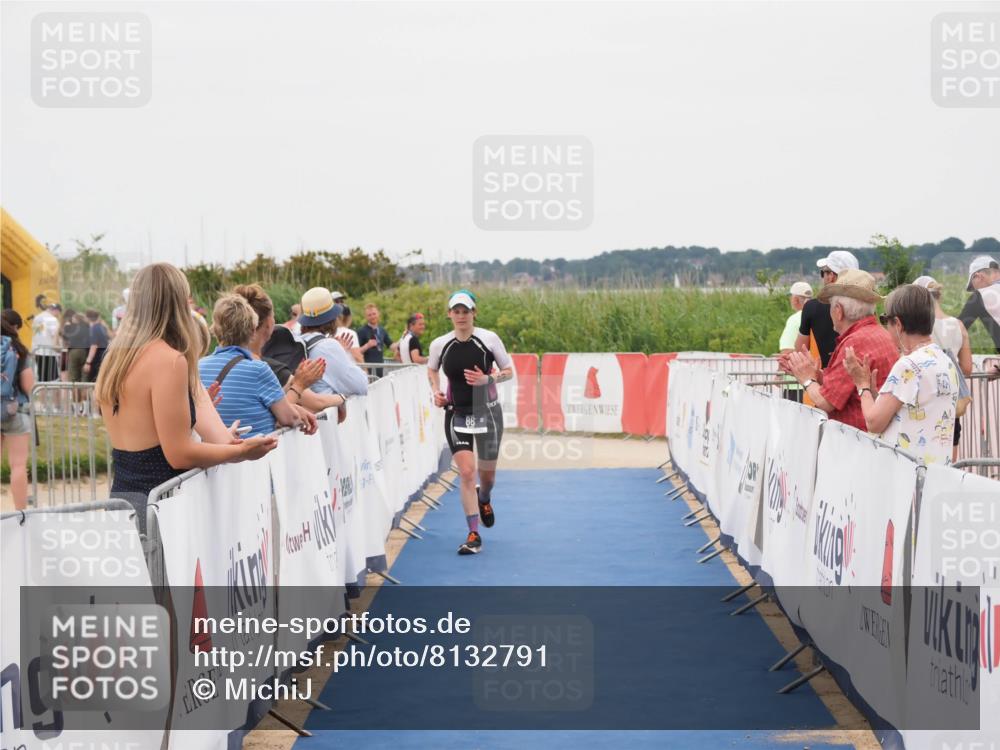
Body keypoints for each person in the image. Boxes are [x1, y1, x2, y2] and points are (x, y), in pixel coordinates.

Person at [95, 263, 278, 530]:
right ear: (179, 303)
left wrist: (223, 442)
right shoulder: (169, 361)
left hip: (122, 501)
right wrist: (239, 451)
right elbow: (178, 453)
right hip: (162, 506)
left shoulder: (115, 356)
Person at [427, 290, 513, 556]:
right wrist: (436, 391)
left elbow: (508, 371)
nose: (461, 316)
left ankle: (484, 497)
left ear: (474, 313)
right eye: (456, 311)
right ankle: (473, 534)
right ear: (449, 314)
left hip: (487, 413)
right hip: (457, 413)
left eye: (466, 311)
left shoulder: (488, 339)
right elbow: (432, 368)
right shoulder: (440, 344)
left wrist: (489, 380)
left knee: (487, 477)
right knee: (466, 471)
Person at [842, 284, 959, 465]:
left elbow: (873, 423)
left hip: (907, 475)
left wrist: (862, 385)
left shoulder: (908, 366)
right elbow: (910, 408)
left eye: (885, 320)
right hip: (937, 472)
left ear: (898, 324)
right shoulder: (945, 361)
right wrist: (876, 396)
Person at [783, 269, 898, 432]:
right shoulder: (880, 333)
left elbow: (825, 401)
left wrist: (807, 379)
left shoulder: (854, 344)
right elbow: (846, 387)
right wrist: (818, 376)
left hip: (857, 442)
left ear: (838, 311)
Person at [199, 294, 318, 439]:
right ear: (252, 331)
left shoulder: (198, 367)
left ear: (215, 329)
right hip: (257, 454)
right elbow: (289, 418)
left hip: (216, 455)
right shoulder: (259, 369)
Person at [233, 284, 345, 415]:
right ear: (269, 324)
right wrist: (342, 398)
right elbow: (314, 403)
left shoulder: (209, 364)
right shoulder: (266, 368)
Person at [913, 275, 973, 460]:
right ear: (939, 296)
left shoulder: (918, 326)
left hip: (924, 399)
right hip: (951, 400)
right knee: (949, 464)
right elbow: (967, 367)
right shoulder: (958, 325)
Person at [298, 287, 369, 396]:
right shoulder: (328, 347)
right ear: (332, 318)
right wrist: (342, 352)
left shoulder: (299, 340)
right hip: (324, 411)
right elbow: (361, 385)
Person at [795, 250, 859, 368]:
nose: (823, 277)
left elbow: (800, 349)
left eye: (823, 273)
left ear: (831, 276)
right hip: (859, 373)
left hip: (826, 376)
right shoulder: (865, 306)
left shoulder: (812, 307)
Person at [2, 310, 35, 510]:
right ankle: (20, 513)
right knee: (18, 465)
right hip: (14, 410)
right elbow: (28, 385)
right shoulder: (18, 349)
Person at [957, 255, 1000, 353]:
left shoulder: (981, 295)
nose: (974, 290)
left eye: (972, 285)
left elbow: (957, 331)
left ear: (978, 276)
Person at [778, 283, 812, 402]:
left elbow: (786, 352)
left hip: (794, 384)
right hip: (814, 384)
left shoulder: (794, 319)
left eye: (791, 297)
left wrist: (778, 374)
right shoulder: (818, 316)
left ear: (796, 299)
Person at [357, 303, 394, 377]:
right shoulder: (361, 331)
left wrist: (403, 339)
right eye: (369, 315)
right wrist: (367, 345)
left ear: (378, 314)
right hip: (367, 371)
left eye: (374, 314)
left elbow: (391, 346)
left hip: (380, 369)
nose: (372, 316)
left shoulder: (382, 330)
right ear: (366, 317)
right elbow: (356, 352)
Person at [32, 301, 61, 381]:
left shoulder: (37, 318)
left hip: (38, 351)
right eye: (58, 313)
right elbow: (55, 335)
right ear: (56, 310)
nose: (58, 315)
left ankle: (41, 393)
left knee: (42, 379)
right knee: (52, 379)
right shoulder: (52, 319)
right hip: (49, 352)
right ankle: (50, 394)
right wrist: (59, 350)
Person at [83, 310, 110, 383]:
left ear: (88, 318)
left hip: (97, 359)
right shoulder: (102, 327)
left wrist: (88, 362)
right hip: (104, 356)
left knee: (94, 382)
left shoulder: (93, 329)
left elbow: (94, 346)